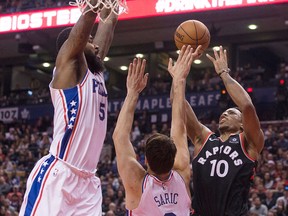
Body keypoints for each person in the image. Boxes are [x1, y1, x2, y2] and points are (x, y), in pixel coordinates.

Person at [19, 1, 118, 215]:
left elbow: (108, 24)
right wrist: (93, 7)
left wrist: (112, 8)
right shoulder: (67, 69)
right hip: (59, 174)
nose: (97, 45)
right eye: (90, 41)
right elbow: (87, 23)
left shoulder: (96, 73)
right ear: (77, 45)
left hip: (89, 182)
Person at [112, 45, 200, 215]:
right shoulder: (182, 173)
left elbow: (119, 137)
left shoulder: (138, 184)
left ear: (145, 161)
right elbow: (179, 127)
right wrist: (179, 80)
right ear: (173, 158)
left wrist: (132, 93)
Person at [187, 46, 264, 216]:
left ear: (243, 124)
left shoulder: (249, 141)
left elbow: (247, 106)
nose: (225, 114)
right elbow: (178, 106)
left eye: (231, 113)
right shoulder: (204, 139)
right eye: (224, 112)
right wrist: (179, 78)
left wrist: (224, 73)